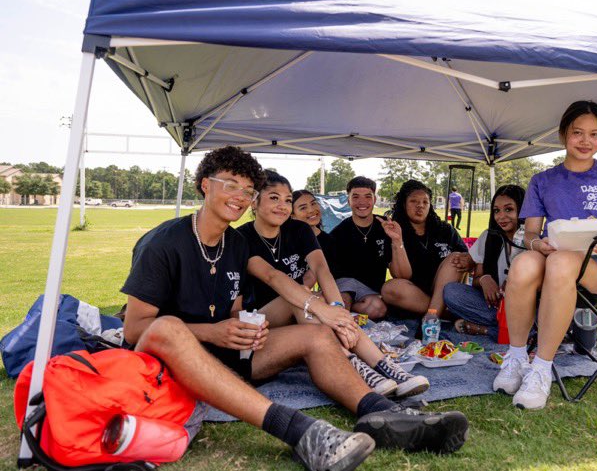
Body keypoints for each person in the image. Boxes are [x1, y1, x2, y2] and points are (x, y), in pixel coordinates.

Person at [121, 147, 468, 471]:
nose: (239, 197)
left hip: (227, 352)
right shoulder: (165, 242)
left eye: (247, 190)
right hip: (174, 360)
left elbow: (267, 283)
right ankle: (302, 433)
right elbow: (137, 329)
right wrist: (213, 331)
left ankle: (386, 414)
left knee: (317, 335)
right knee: (167, 327)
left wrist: (266, 321)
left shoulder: (237, 243)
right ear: (204, 186)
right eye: (231, 186)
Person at [494, 100, 597, 410]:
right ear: (563, 135)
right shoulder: (542, 181)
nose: (586, 141)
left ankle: (541, 369)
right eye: (578, 133)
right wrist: (537, 245)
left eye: (595, 134)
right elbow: (531, 234)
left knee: (559, 262)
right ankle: (517, 357)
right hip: (552, 256)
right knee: (523, 263)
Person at [238, 172, 430, 398]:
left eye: (287, 200)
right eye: (274, 198)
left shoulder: (298, 230)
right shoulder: (242, 237)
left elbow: (321, 268)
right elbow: (273, 277)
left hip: (303, 310)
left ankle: (386, 367)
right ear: (254, 201)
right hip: (262, 320)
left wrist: (338, 309)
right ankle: (349, 362)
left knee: (320, 302)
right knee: (303, 298)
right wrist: (325, 311)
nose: (283, 206)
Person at [380, 180, 472, 326]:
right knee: (389, 289)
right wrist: (397, 241)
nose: (420, 206)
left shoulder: (445, 230)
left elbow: (468, 260)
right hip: (415, 295)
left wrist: (468, 261)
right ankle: (447, 314)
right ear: (404, 204)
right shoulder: (394, 231)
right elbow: (402, 276)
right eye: (413, 201)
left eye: (425, 202)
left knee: (456, 257)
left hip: (447, 291)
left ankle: (431, 317)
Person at [444, 185, 526, 339]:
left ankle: (487, 330)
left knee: (545, 316)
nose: (501, 216)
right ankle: (510, 331)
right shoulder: (489, 237)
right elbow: (475, 280)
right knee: (451, 291)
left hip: (524, 308)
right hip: (494, 307)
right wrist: (484, 279)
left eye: (508, 209)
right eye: (496, 211)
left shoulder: (533, 240)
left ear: (522, 209)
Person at [328, 176, 411, 320]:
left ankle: (352, 312)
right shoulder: (338, 233)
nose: (362, 202)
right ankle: (345, 315)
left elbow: (403, 276)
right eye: (355, 197)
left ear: (375, 199)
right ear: (348, 201)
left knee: (378, 309)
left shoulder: (386, 227)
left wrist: (397, 241)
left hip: (369, 291)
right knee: (343, 300)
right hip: (343, 286)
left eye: (368, 196)